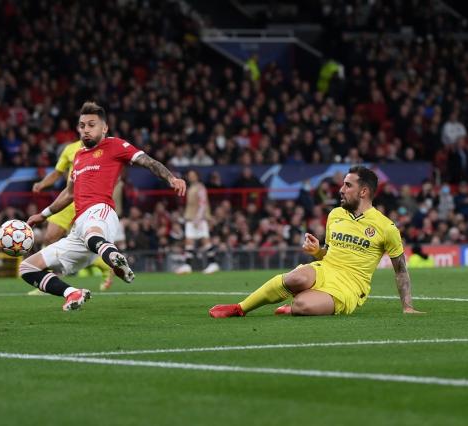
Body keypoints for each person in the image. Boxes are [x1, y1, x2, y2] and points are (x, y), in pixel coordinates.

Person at [22, 101, 186, 310]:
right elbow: (69, 193)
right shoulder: (79, 156)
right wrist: (42, 215)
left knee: (92, 233)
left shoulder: (115, 145)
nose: (86, 130)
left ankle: (114, 259)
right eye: (82, 126)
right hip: (78, 230)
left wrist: (172, 178)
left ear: (104, 127)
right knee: (27, 268)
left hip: (101, 211)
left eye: (91, 125)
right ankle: (73, 293)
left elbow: (148, 161)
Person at [209, 166, 424, 318]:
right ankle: (240, 308)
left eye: (348, 185)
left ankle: (293, 307)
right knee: (296, 277)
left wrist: (407, 306)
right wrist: (317, 251)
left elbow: (401, 270)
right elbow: (329, 254)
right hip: (326, 269)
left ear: (364, 191)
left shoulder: (386, 227)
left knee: (302, 304)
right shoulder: (336, 214)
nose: (341, 189)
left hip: (349, 287)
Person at [30, 139, 113, 294]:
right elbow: (57, 172)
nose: (86, 129)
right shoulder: (70, 149)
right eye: (83, 125)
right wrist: (42, 184)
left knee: (81, 243)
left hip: (88, 200)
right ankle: (47, 280)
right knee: (49, 238)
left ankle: (104, 266)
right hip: (68, 199)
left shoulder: (103, 148)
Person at [175, 170, 220, 274]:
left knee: (205, 241)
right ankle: (188, 265)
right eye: (189, 175)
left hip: (198, 219)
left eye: (193, 175)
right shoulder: (192, 187)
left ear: (197, 176)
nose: (191, 177)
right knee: (189, 241)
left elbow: (203, 203)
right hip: (191, 218)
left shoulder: (200, 187)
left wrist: (198, 219)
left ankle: (213, 263)